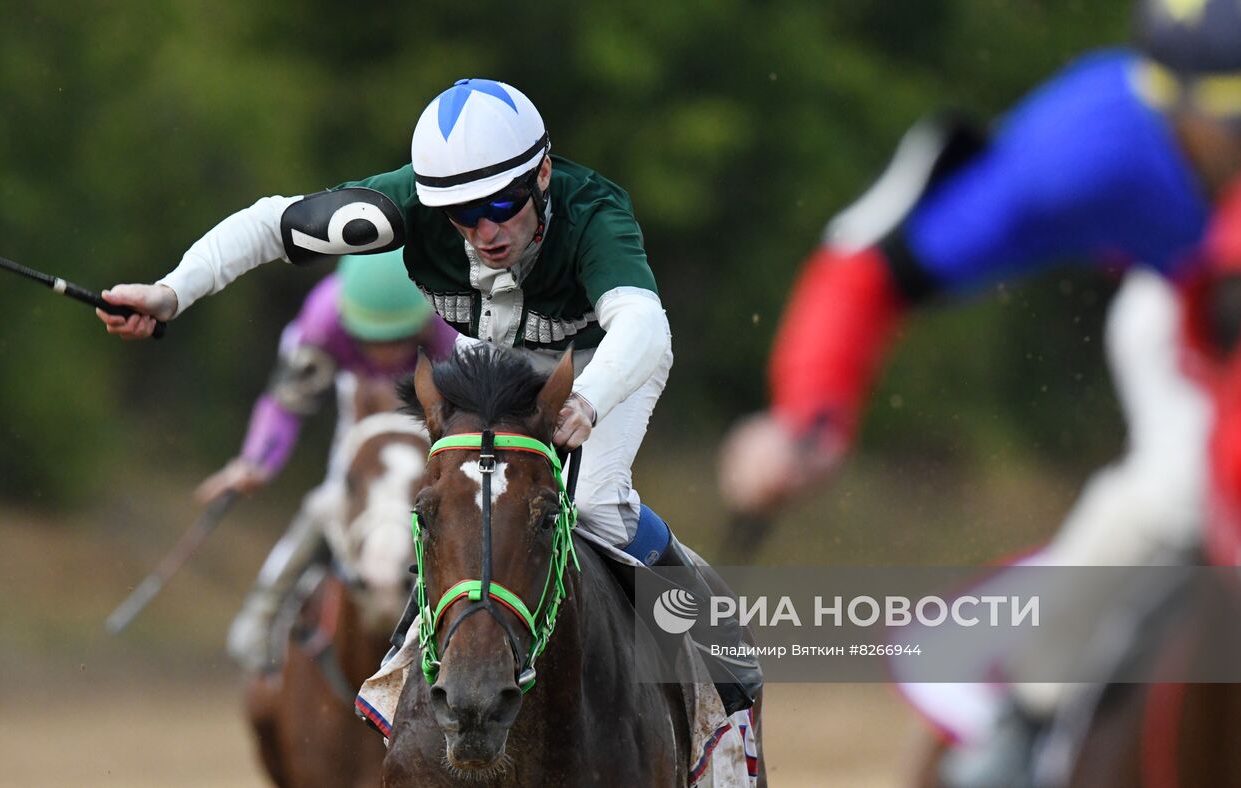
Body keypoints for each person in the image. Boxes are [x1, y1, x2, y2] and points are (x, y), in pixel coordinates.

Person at [715, 0, 1241, 782]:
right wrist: (809, 411)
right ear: (1172, 107)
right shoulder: (1093, 140)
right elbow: (873, 268)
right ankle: (1022, 726)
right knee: (1180, 488)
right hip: (1200, 314)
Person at [96, 78, 760, 713]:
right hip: (489, 357)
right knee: (448, 500)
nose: (484, 233)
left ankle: (714, 634)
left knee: (590, 504)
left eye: (502, 206)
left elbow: (643, 324)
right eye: (461, 216)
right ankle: (410, 663)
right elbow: (275, 224)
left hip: (602, 361)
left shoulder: (594, 213)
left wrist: (586, 399)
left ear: (544, 174)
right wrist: (172, 291)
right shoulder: (403, 206)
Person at [195, 250, 455, 673]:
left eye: (398, 337)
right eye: (373, 338)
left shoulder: (447, 322)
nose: (387, 351)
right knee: (329, 501)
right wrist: (255, 462)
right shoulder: (323, 321)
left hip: (432, 413)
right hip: (358, 407)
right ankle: (262, 612)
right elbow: (286, 401)